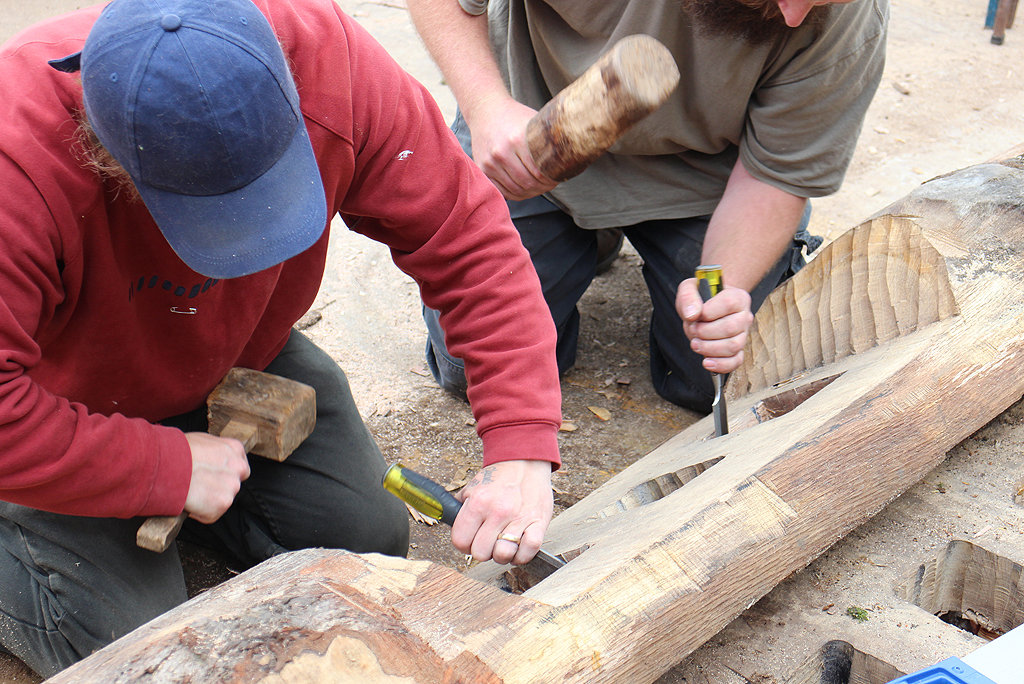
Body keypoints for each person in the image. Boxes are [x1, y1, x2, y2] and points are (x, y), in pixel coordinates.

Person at [0, 0, 561, 675]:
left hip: (232, 354)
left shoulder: (335, 66)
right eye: (214, 221)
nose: (244, 245)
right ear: (103, 149)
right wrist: (162, 467)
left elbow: (466, 239)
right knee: (137, 649)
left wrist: (523, 443)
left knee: (366, 539)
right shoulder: (17, 162)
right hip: (54, 399)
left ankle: (212, 495)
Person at [409, 0, 888, 412]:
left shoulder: (849, 20)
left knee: (722, 379)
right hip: (535, 126)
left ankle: (600, 239)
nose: (794, 14)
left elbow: (774, 178)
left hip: (704, 174)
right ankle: (582, 235)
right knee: (478, 371)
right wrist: (486, 106)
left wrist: (722, 292)